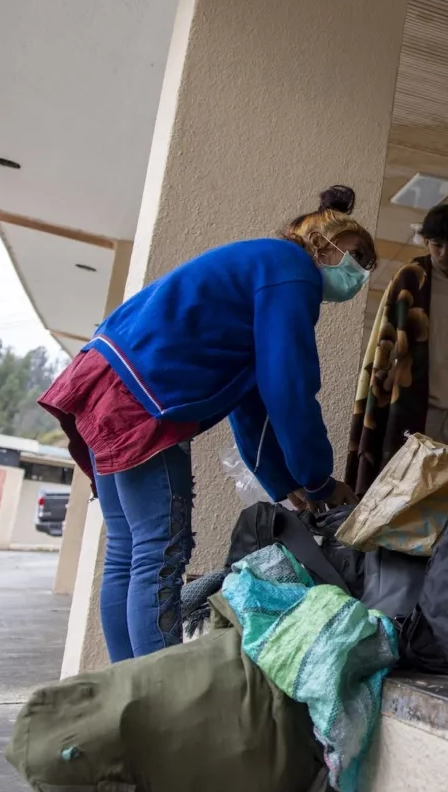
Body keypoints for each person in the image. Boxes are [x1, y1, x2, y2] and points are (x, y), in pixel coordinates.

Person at [39, 186, 377, 661]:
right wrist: (320, 481)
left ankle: (126, 687)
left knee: (128, 552)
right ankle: (162, 698)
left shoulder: (264, 266)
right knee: (158, 554)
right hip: (145, 398)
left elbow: (252, 401)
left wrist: (287, 484)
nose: (362, 272)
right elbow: (290, 388)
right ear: (323, 244)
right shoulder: (291, 269)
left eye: (370, 265)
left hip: (107, 379)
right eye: (358, 256)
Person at [345, 203, 448, 495]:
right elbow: (385, 341)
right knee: (405, 487)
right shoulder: (409, 278)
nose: (444, 253)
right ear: (427, 242)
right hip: (413, 400)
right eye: (437, 245)